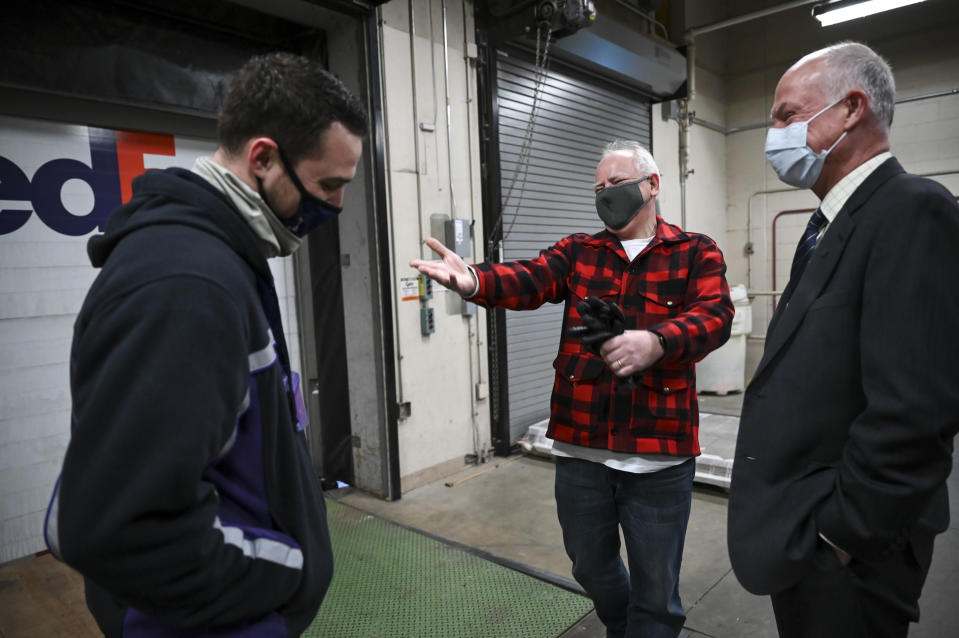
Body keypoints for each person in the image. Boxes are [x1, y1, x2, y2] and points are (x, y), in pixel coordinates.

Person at [43, 52, 367, 636]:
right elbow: (113, 524)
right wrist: (286, 569)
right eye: (328, 185)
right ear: (263, 158)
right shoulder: (186, 286)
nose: (336, 207)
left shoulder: (230, 254)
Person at [412, 140, 733, 637]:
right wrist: (473, 279)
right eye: (598, 187)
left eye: (617, 183)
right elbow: (529, 279)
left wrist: (655, 341)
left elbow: (715, 316)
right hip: (582, 451)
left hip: (658, 458)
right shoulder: (580, 252)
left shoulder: (695, 251)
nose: (606, 194)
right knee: (591, 568)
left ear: (652, 185)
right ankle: (622, 625)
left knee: (657, 592)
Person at [727, 42, 959, 638]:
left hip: (850, 551)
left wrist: (840, 538)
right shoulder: (831, 223)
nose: (773, 134)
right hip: (804, 531)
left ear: (851, 108)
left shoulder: (912, 211)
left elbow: (915, 410)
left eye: (785, 115)